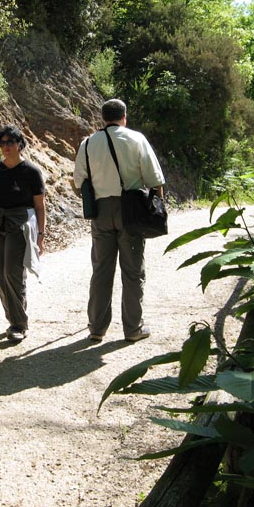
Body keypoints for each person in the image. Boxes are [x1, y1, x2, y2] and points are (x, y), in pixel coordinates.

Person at [73, 99, 165, 343]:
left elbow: (78, 182)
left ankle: (97, 328)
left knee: (101, 270)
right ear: (124, 116)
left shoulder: (88, 143)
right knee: (133, 271)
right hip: (131, 210)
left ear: (102, 117)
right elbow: (155, 180)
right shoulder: (136, 139)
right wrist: (155, 210)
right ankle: (133, 328)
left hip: (101, 212)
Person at [0, 125, 46, 343]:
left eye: (10, 142)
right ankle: (13, 318)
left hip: (19, 224)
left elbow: (40, 206)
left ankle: (19, 324)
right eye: (2, 143)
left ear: (20, 144)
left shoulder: (31, 171)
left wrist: (40, 235)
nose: (6, 147)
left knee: (12, 272)